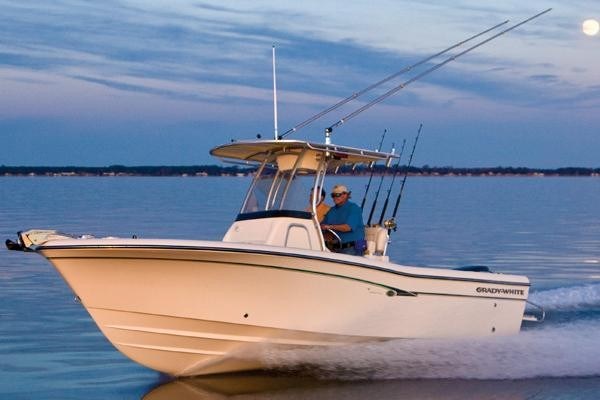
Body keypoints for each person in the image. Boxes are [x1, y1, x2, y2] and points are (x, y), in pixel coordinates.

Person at [320, 184, 365, 255]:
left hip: (351, 248)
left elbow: (348, 227)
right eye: (333, 195)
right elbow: (322, 225)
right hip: (335, 247)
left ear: (345, 195)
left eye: (337, 195)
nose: (334, 197)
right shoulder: (332, 210)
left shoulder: (354, 208)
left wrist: (330, 227)